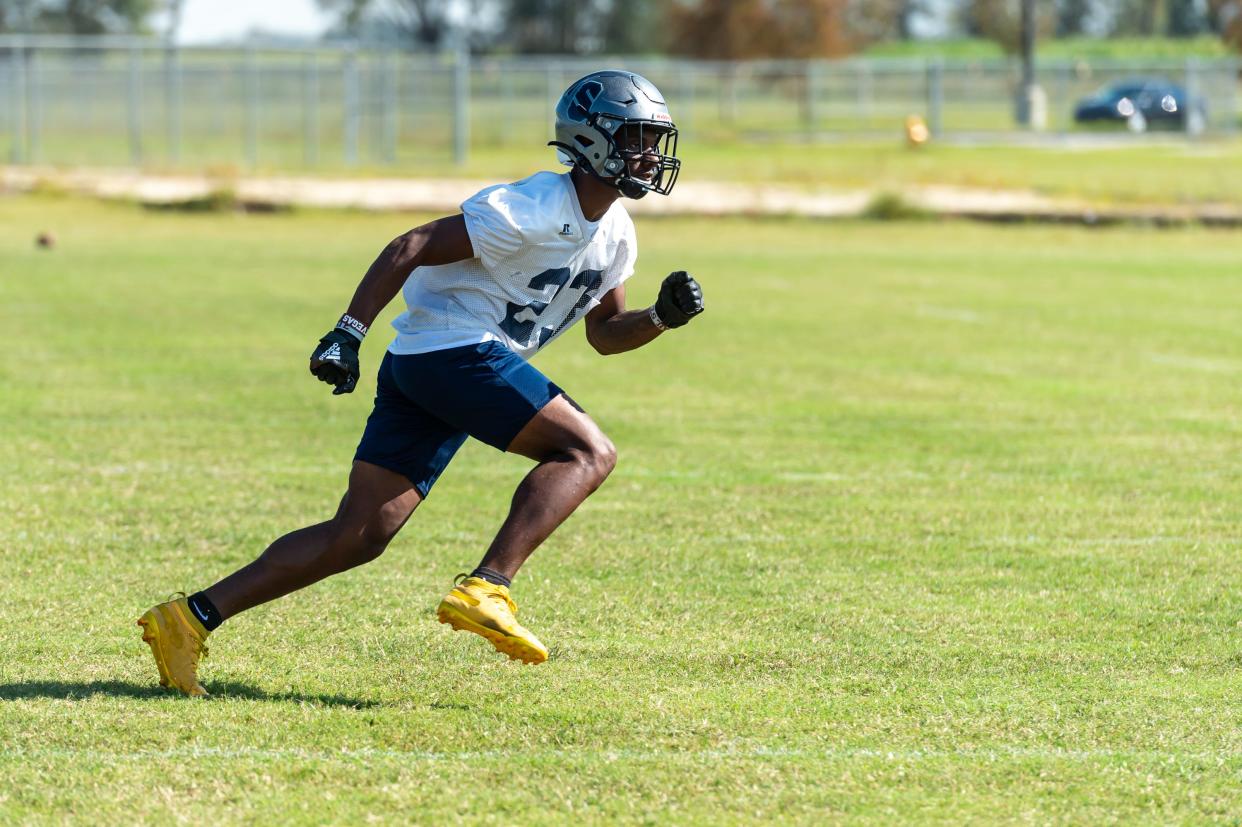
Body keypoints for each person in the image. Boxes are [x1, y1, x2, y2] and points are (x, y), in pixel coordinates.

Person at [137, 70, 706, 696]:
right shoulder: (535, 206)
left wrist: (660, 318)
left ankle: (187, 619)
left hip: (433, 364)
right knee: (588, 451)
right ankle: (488, 587)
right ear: (593, 141)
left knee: (357, 535)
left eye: (654, 141)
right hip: (452, 351)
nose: (650, 156)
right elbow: (411, 245)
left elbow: (605, 332)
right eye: (636, 139)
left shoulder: (617, 234)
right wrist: (348, 330)